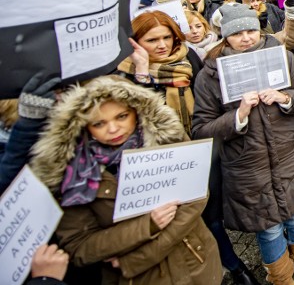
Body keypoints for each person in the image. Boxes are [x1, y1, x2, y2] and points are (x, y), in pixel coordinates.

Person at [29, 76, 222, 284]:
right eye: (99, 123)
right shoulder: (71, 174)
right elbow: (80, 247)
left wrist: (137, 259)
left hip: (195, 261)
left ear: (136, 111)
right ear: (83, 125)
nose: (113, 129)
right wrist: (148, 225)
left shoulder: (166, 137)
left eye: (121, 116)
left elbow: (195, 198)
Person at [117, 10, 259, 285]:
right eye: (152, 39)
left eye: (167, 37)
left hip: (202, 146)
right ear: (136, 42)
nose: (161, 45)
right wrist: (143, 74)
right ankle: (233, 265)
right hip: (162, 158)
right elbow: (135, 121)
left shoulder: (188, 58)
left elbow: (207, 98)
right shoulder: (127, 73)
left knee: (213, 209)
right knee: (197, 218)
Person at [192, 4, 294, 285]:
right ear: (224, 35)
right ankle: (280, 275)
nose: (246, 38)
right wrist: (238, 115)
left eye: (251, 30)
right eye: (237, 33)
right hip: (249, 165)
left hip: (290, 153)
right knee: (268, 229)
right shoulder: (210, 74)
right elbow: (201, 128)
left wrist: (284, 98)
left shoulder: (282, 56)